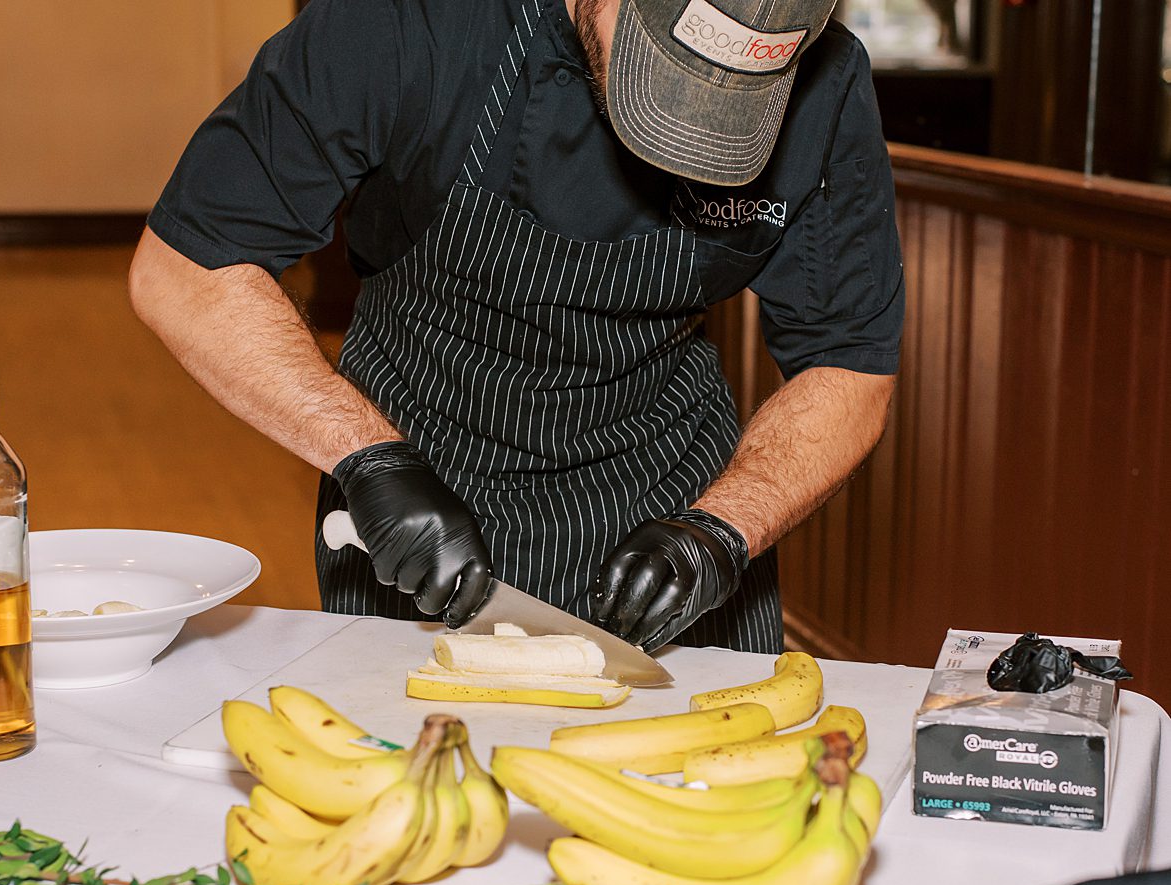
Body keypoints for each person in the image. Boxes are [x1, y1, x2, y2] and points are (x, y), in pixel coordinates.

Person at [129, 0, 902, 654]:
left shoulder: (828, 80)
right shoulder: (413, 22)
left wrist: (723, 532)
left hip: (675, 513)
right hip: (420, 508)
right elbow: (185, 268)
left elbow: (848, 361)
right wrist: (365, 460)